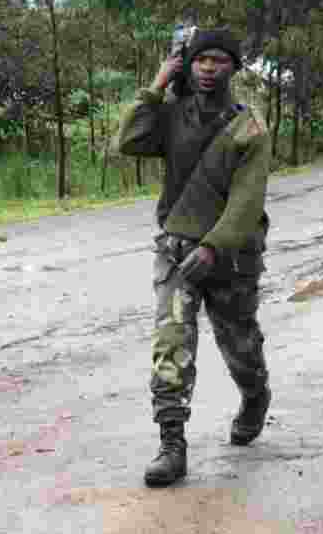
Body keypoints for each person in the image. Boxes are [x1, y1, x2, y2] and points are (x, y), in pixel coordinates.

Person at [112, 28, 272, 487]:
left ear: (234, 68)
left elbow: (247, 201)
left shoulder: (250, 128)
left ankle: (255, 396)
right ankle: (172, 443)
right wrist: (159, 81)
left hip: (230, 255)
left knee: (238, 343)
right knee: (171, 343)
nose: (208, 68)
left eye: (220, 60)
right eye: (201, 60)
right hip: (177, 250)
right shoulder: (174, 115)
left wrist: (213, 246)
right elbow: (128, 141)